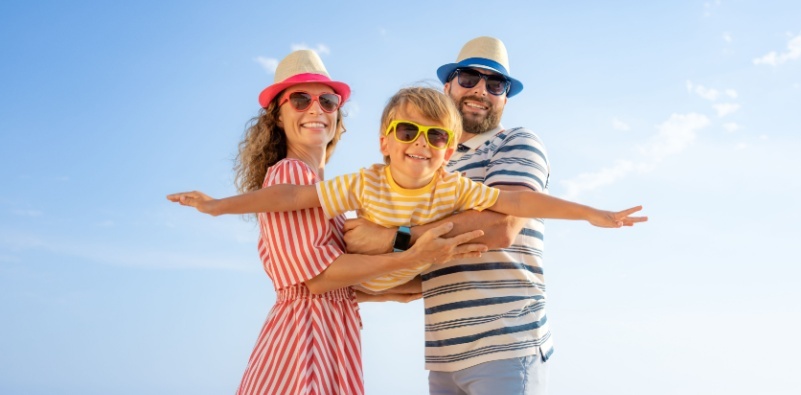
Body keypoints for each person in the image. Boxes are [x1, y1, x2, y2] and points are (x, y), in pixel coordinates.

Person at [169, 49, 487, 395]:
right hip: (304, 343)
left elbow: (332, 285)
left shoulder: (324, 192)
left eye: (328, 101)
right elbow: (318, 280)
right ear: (277, 116)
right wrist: (411, 257)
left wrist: (402, 288)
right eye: (300, 100)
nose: (315, 109)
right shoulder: (290, 175)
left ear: (338, 113)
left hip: (327, 335)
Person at [342, 36, 635, 394]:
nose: (481, 90)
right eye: (469, 78)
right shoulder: (433, 164)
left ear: (505, 97)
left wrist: (393, 237)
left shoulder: (516, 141)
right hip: (443, 355)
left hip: (507, 346)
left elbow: (502, 226)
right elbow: (428, 267)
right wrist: (353, 285)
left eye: (495, 83)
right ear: (447, 86)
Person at [168, 86, 646, 296]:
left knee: (445, 260)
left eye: (436, 137)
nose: (421, 144)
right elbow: (292, 198)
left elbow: (518, 201)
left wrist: (590, 213)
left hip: (399, 286)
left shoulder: (453, 185)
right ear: (384, 142)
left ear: (450, 150)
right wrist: (218, 206)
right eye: (407, 132)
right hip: (356, 288)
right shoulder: (364, 182)